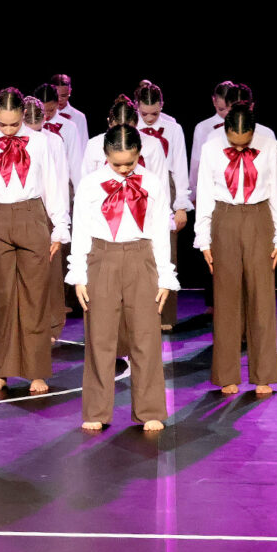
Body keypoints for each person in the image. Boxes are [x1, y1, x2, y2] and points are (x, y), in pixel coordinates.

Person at [68, 124, 178, 431]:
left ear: (139, 154)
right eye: (117, 163)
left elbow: (159, 230)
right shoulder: (91, 185)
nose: (124, 168)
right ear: (105, 155)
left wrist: (165, 276)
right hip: (102, 258)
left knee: (145, 336)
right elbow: (80, 230)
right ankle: (96, 411)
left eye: (130, 162)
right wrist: (78, 274)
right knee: (100, 338)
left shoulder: (153, 183)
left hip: (142, 259)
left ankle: (149, 409)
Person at [0, 88, 69, 393]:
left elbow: (53, 184)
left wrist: (60, 226)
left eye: (13, 123)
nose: (8, 129)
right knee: (1, 298)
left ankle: (37, 370)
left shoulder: (40, 142)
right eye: (2, 124)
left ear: (24, 115)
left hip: (32, 214)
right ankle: (2, 370)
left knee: (35, 296)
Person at [194, 103, 277, 396]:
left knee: (261, 296)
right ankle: (226, 374)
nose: (239, 146)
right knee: (226, 298)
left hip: (259, 217)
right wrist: (204, 239)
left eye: (244, 141)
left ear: (252, 131)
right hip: (225, 218)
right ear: (225, 131)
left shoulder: (269, 145)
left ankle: (263, 374)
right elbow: (205, 192)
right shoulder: (211, 147)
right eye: (234, 141)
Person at [136, 82, 192, 331]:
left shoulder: (173, 129)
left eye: (154, 114)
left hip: (165, 185)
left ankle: (165, 314)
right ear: (136, 106)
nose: (148, 119)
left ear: (162, 107)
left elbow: (180, 166)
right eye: (144, 113)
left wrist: (181, 205)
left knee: (166, 251)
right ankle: (138, 311)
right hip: (135, 185)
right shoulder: (129, 127)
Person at [23, 96, 71, 342]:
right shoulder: (15, 140)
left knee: (50, 271)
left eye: (38, 129)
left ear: (45, 120)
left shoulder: (53, 141)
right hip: (24, 209)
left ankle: (52, 324)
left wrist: (59, 217)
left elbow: (60, 179)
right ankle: (28, 322)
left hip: (48, 210)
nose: (34, 134)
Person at [189, 81, 235, 199]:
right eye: (221, 109)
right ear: (214, 101)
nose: (226, 114)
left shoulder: (245, 125)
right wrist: (193, 194)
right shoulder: (203, 127)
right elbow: (196, 163)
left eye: (230, 109)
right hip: (212, 187)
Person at [50, 74, 89, 152]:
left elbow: (84, 146)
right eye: (57, 96)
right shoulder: (44, 115)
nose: (60, 99)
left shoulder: (79, 117)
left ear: (69, 91)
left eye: (63, 96)